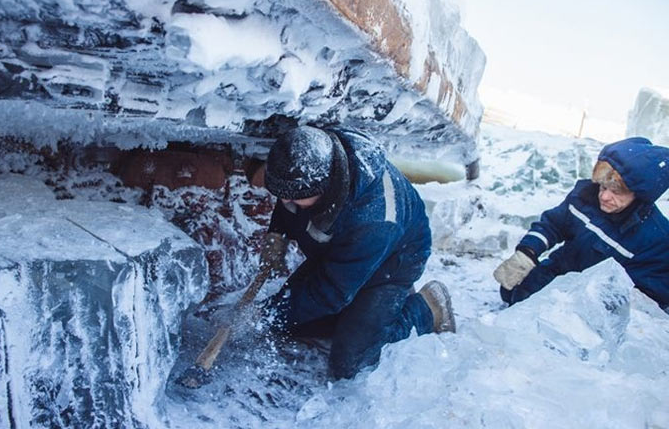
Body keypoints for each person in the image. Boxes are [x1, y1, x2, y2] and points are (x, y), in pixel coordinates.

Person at [260, 125, 456, 380]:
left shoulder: (373, 219)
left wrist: (268, 313)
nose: (286, 201)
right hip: (343, 252)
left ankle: (426, 308)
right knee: (295, 324)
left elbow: (331, 292)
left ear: (324, 188)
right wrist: (278, 234)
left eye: (294, 198)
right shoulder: (315, 160)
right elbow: (288, 198)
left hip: (392, 262)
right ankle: (370, 314)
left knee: (352, 365)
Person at [494, 137, 669, 309]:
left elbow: (649, 296)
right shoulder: (585, 197)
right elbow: (553, 224)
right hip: (558, 272)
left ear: (640, 195)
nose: (604, 196)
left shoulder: (655, 238)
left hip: (592, 302)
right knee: (511, 292)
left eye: (616, 191)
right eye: (603, 186)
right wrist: (528, 252)